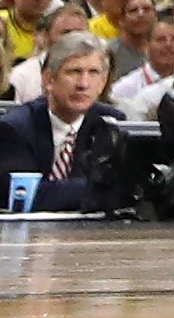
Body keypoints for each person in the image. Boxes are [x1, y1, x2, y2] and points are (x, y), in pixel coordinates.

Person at [3, 33, 140, 214]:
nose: (83, 84)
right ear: (48, 80)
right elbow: (29, 196)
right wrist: (100, 189)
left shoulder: (111, 124)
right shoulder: (15, 128)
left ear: (103, 82)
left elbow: (125, 192)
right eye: (74, 72)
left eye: (93, 73)